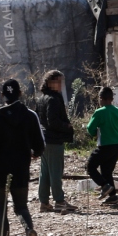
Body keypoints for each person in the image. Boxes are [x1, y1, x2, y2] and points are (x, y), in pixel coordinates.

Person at [0, 80, 44, 236]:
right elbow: (40, 145)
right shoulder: (30, 115)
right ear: (20, 93)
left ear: (2, 95)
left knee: (1, 209)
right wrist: (34, 153)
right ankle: (29, 229)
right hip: (21, 169)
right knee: (21, 206)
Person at [37, 70, 75, 214]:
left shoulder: (42, 98)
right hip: (54, 140)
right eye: (57, 81)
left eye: (61, 82)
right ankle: (59, 201)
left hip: (44, 140)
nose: (60, 85)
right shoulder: (53, 99)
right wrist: (67, 126)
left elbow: (39, 120)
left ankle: (44, 203)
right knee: (55, 171)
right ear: (49, 82)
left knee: (45, 172)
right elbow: (52, 121)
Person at [86, 86, 118, 206]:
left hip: (104, 146)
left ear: (100, 98)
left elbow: (90, 128)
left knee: (90, 167)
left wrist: (93, 134)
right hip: (117, 146)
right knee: (107, 171)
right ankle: (113, 196)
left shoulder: (99, 112)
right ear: (112, 99)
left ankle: (104, 186)